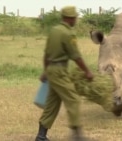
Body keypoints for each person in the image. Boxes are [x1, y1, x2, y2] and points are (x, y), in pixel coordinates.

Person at [35, 5, 94, 141]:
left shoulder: (54, 31)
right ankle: (77, 136)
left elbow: (46, 54)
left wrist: (46, 71)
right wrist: (87, 71)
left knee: (52, 104)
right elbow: (76, 56)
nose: (76, 20)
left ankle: (41, 136)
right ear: (70, 18)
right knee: (73, 99)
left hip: (51, 70)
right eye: (75, 18)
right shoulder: (68, 34)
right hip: (60, 71)